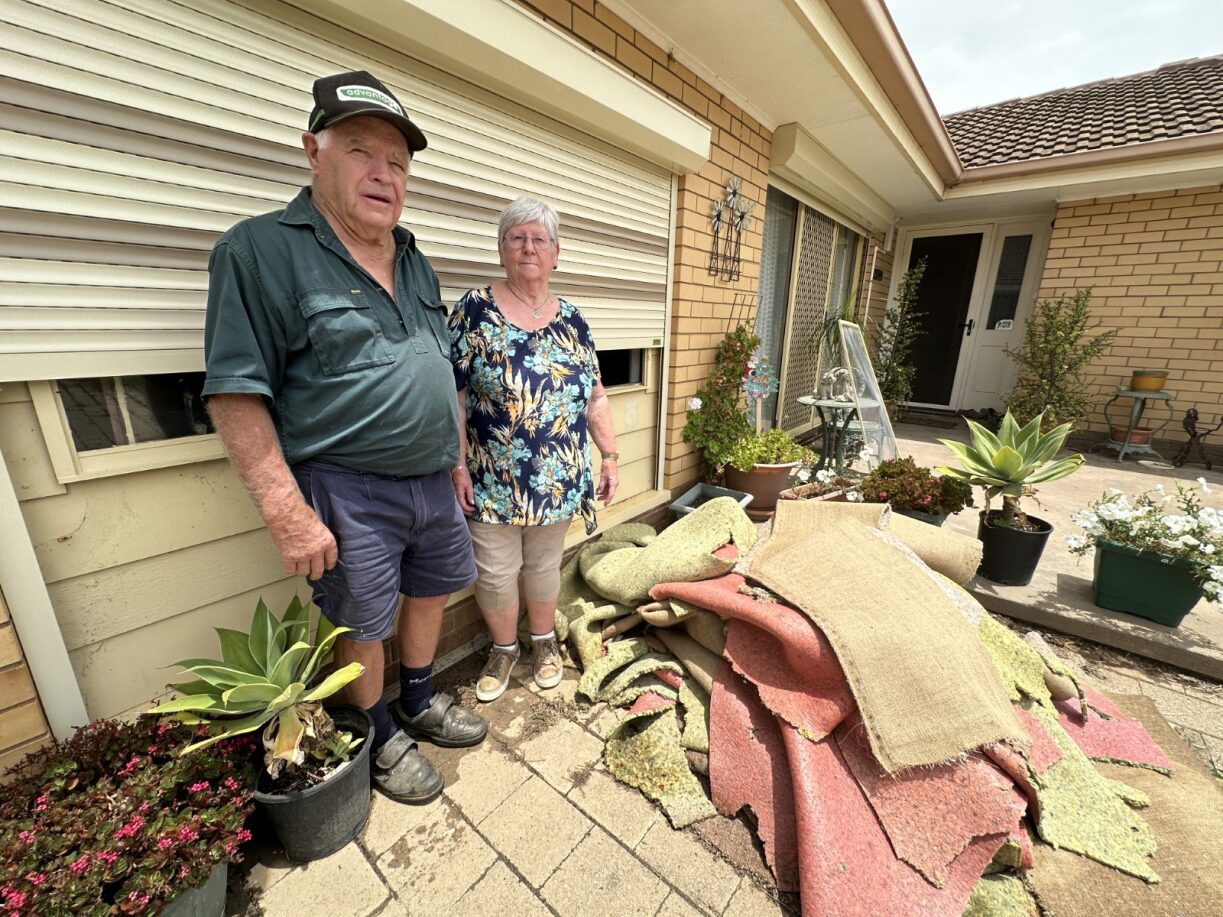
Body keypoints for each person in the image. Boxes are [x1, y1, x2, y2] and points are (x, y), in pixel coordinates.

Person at [202, 70, 486, 805]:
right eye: (360, 150)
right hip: (346, 486)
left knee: (429, 594)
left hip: (432, 478)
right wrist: (283, 506)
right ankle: (379, 730)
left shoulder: (413, 254)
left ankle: (419, 697)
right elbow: (236, 389)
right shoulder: (259, 250)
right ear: (312, 152)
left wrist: (453, 457)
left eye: (396, 161)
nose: (381, 173)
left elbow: (435, 364)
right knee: (361, 622)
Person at [449, 197, 619, 702]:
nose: (528, 247)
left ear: (556, 253)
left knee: (545, 566)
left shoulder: (572, 319)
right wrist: (455, 464)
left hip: (559, 474)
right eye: (517, 238)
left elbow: (595, 394)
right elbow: (452, 397)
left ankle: (543, 642)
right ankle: (503, 649)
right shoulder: (473, 310)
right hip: (490, 475)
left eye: (539, 239)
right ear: (502, 249)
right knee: (496, 570)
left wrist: (609, 456)